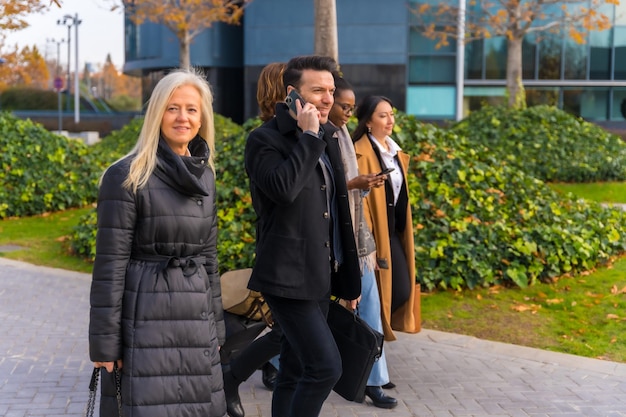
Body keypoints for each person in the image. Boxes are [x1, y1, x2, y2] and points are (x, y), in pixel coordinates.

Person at [88, 68, 227, 417]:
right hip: (145, 321)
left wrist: (217, 332)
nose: (183, 117)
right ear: (156, 114)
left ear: (202, 117)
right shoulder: (126, 175)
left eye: (192, 109)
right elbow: (109, 266)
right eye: (172, 108)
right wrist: (105, 343)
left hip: (196, 326)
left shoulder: (205, 175)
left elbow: (209, 257)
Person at [244, 55, 361, 417]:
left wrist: (347, 278)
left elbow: (337, 212)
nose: (328, 99)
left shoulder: (328, 137)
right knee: (326, 367)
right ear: (293, 94)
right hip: (285, 276)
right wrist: (309, 137)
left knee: (293, 372)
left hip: (320, 276)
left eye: (330, 90)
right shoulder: (265, 140)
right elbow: (283, 189)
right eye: (318, 91)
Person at [328, 77, 398, 409]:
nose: (346, 112)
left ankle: (373, 380)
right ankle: (274, 363)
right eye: (344, 105)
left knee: (369, 309)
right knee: (307, 315)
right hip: (323, 243)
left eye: (348, 106)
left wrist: (362, 185)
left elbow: (347, 190)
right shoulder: (317, 136)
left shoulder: (341, 134)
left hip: (356, 240)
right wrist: (352, 183)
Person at [222, 62, 287, 417]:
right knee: (286, 327)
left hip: (298, 252)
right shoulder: (265, 138)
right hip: (279, 249)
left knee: (291, 329)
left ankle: (249, 370)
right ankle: (233, 374)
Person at [352, 95, 421, 342]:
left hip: (393, 232)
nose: (390, 120)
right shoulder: (360, 152)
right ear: (368, 122)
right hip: (373, 236)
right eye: (383, 115)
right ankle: (368, 353)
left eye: (391, 114)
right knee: (380, 295)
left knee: (400, 291)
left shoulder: (395, 152)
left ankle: (368, 348)